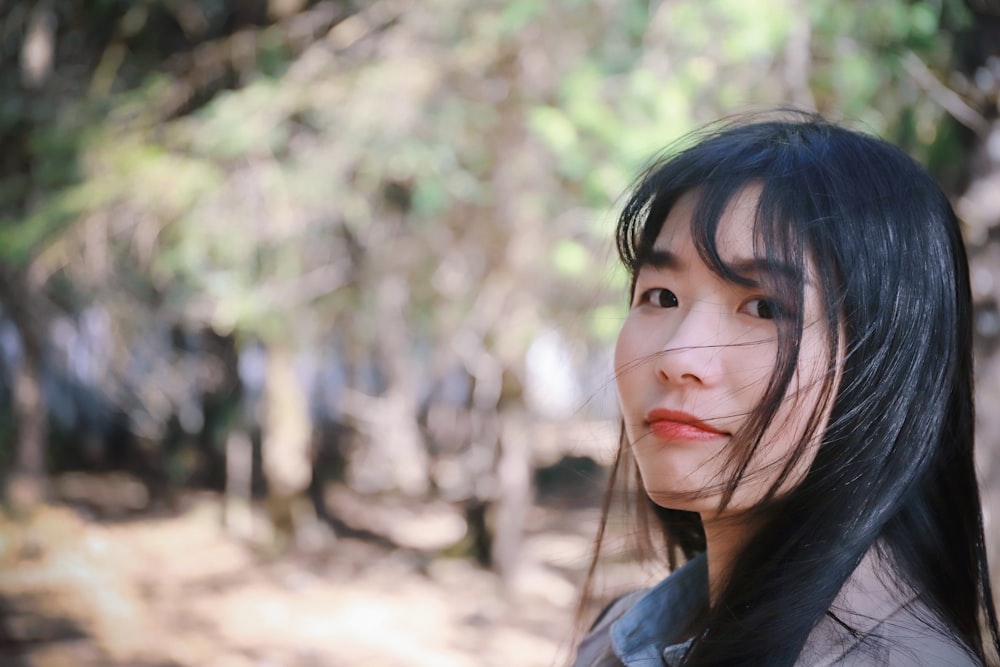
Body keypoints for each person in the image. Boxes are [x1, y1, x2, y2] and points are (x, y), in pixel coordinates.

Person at [572, 112, 1000, 666]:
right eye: (661, 296)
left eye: (765, 308)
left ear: (886, 368)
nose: (679, 358)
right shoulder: (625, 635)